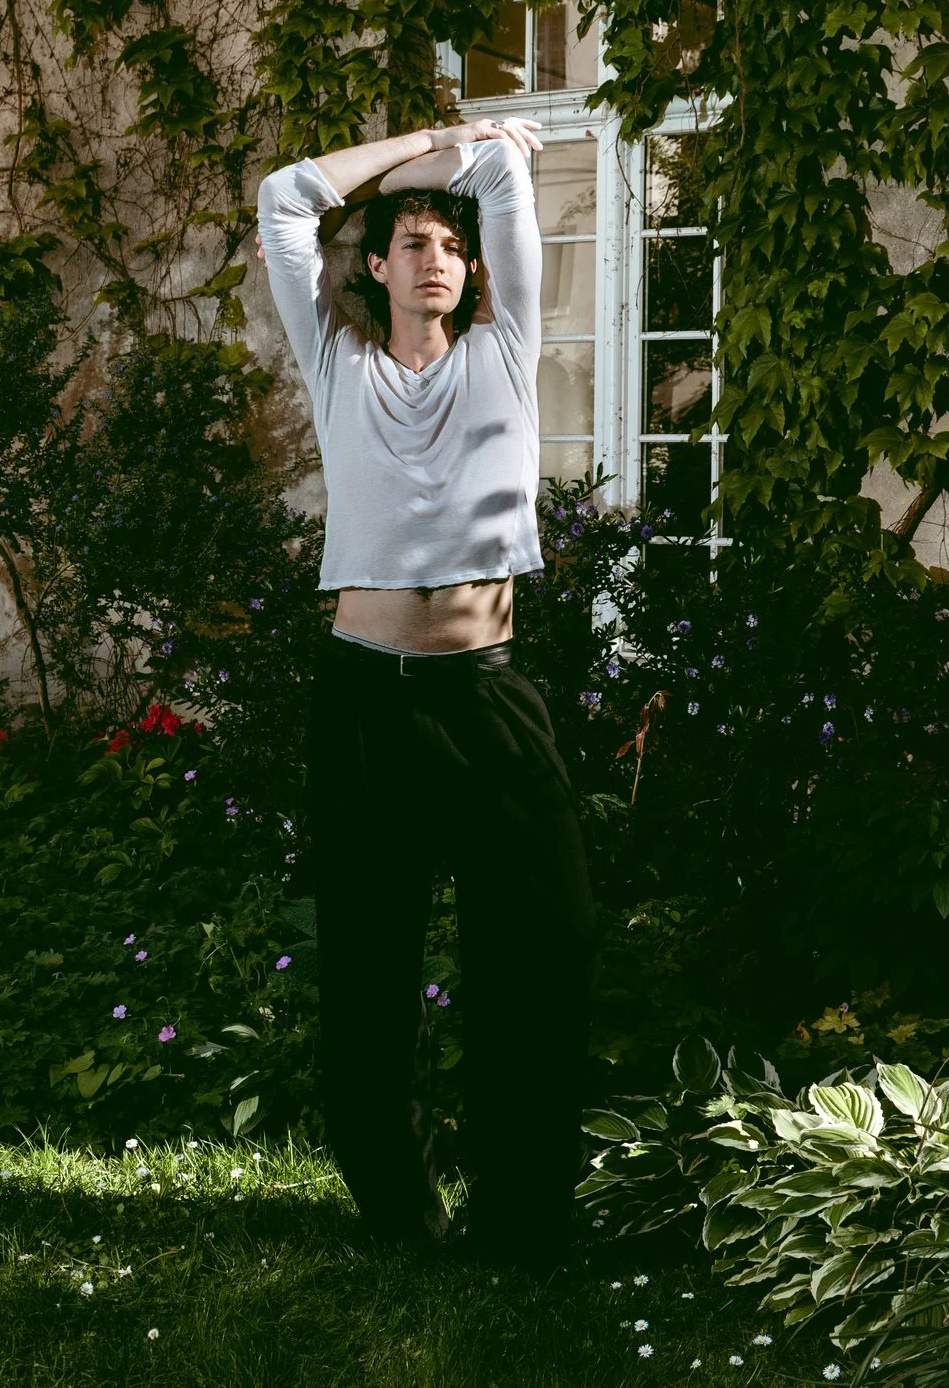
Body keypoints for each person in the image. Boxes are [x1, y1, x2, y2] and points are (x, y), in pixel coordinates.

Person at [255, 116, 598, 1271]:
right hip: (367, 699)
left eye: (450, 243)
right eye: (410, 240)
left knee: (544, 946)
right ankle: (397, 1209)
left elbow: (504, 167)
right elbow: (285, 195)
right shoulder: (336, 364)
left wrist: (467, 157)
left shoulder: (504, 349)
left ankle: (523, 1214)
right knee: (370, 964)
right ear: (373, 264)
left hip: (485, 694)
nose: (435, 257)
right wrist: (440, 138)